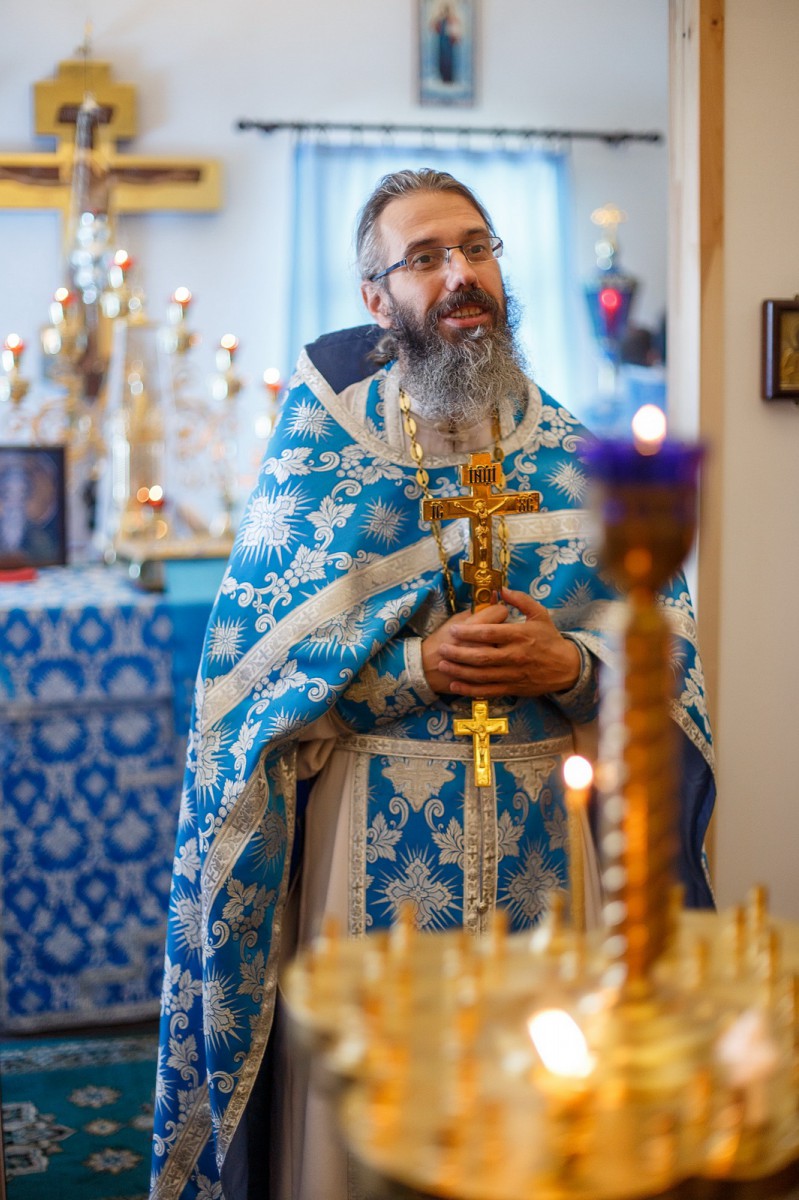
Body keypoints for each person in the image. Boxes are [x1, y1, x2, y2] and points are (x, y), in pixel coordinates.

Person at [150, 169, 715, 1200]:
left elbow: (665, 665)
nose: (461, 275)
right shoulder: (324, 454)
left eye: (476, 247)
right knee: (372, 1125)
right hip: (366, 842)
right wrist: (413, 668)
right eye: (424, 258)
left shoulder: (575, 457)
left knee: (542, 1122)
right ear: (377, 298)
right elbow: (246, 693)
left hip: (547, 844)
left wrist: (572, 666)